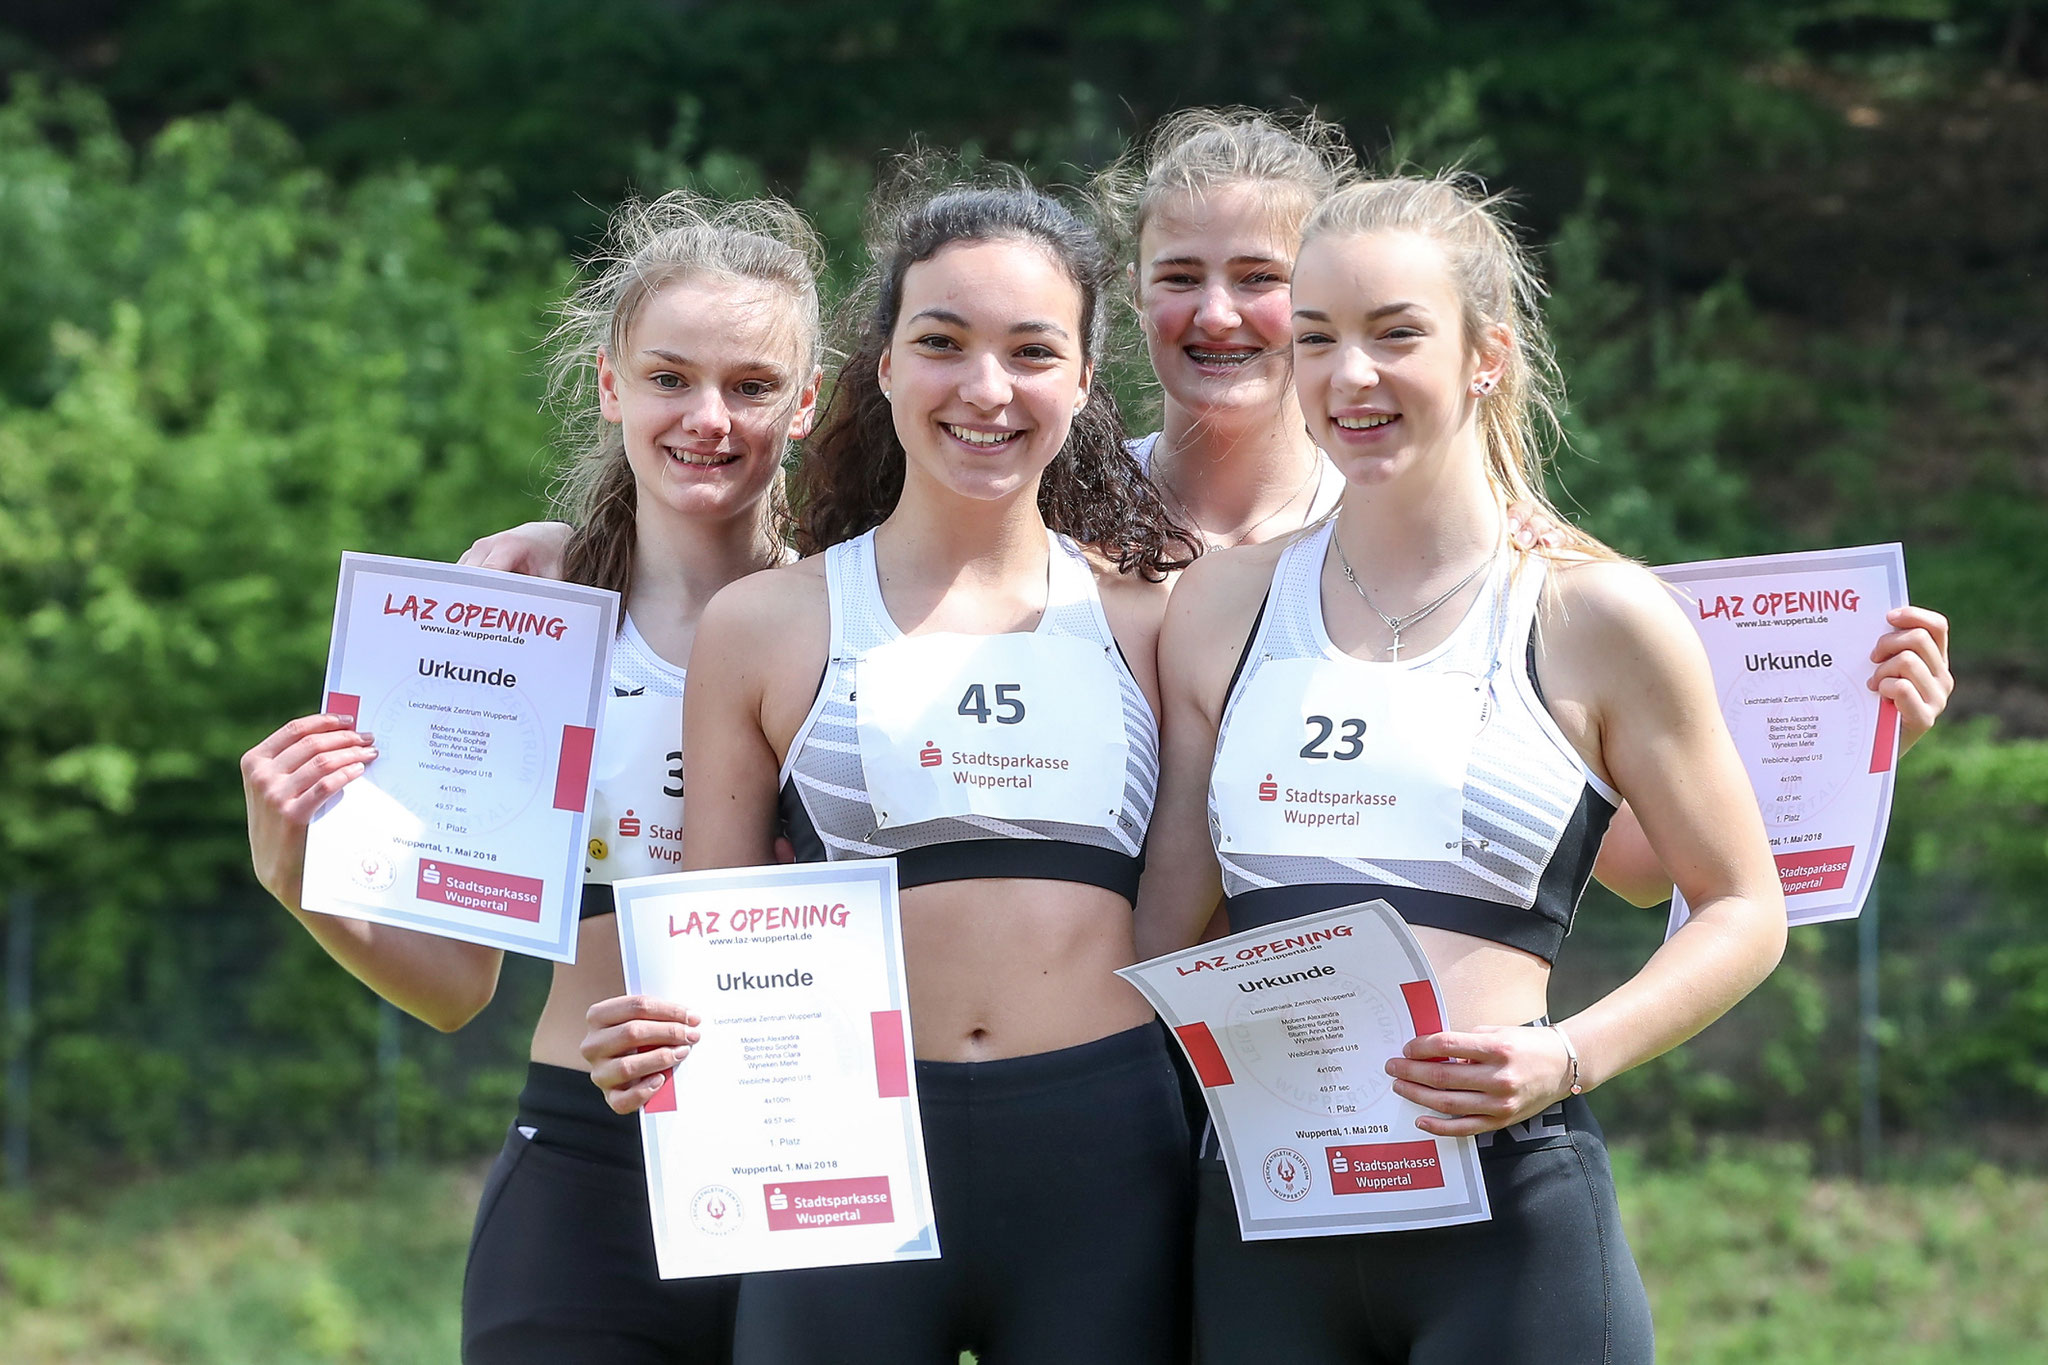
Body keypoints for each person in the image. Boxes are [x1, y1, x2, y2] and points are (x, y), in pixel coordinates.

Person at [1134, 170, 1925, 1364]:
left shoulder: (1591, 614)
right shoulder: (1222, 606)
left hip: (1509, 1226)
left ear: (1484, 354)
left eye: (1395, 334)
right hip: (1263, 1216)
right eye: (1316, 339)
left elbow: (1733, 902)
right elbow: (1163, 928)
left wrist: (1566, 1057)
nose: (1350, 376)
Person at [579, 176, 1201, 1365]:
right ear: (880, 367)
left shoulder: (1158, 620)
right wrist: (649, 1035)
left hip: (1104, 1156)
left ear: (1081, 378)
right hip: (833, 1161)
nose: (984, 388)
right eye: (941, 343)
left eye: (1030, 351)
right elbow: (707, 932)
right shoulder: (765, 625)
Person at [239, 189, 825, 1365]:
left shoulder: (862, 622)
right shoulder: (521, 628)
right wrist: (296, 873)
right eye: (668, 378)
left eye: (752, 386)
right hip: (583, 1177)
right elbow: (455, 987)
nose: (707, 418)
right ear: (610, 386)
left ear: (805, 403)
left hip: (811, 1171)